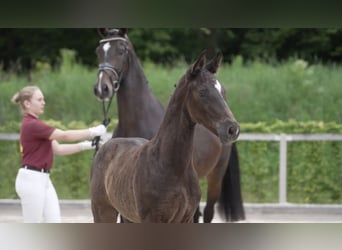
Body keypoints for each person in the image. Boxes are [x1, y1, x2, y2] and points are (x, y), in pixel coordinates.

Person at [11, 85, 107, 223]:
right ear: (27, 103)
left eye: (43, 99)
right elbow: (64, 136)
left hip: (43, 179)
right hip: (32, 179)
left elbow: (59, 149)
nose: (43, 102)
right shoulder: (32, 125)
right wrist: (93, 131)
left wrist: (87, 145)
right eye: (39, 99)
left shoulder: (36, 125)